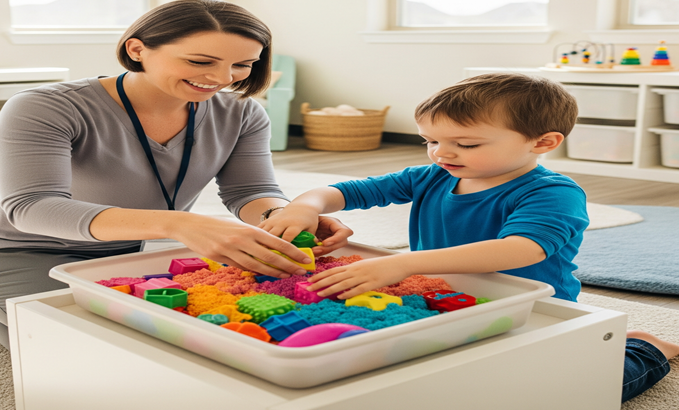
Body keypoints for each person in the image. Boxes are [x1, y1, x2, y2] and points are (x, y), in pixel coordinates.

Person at [0, 0, 350, 350]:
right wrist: (181, 224)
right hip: (12, 249)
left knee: (192, 335)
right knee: (83, 346)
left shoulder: (243, 114)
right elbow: (32, 207)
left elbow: (251, 190)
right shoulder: (45, 106)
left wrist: (282, 217)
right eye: (200, 61)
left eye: (242, 65)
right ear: (137, 49)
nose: (222, 78)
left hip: (134, 247)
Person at [260, 72, 678, 402]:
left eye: (466, 143)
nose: (442, 153)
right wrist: (305, 206)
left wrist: (400, 263)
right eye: (430, 141)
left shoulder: (552, 193)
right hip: (442, 293)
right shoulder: (432, 175)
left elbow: (520, 250)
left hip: (535, 307)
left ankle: (647, 349)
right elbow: (348, 191)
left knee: (559, 393)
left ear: (543, 142)